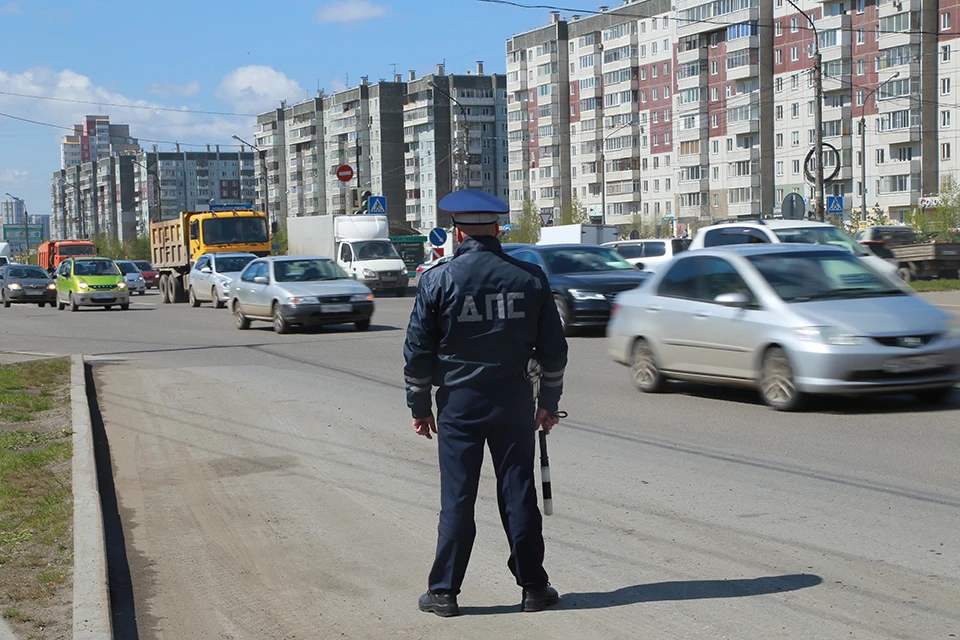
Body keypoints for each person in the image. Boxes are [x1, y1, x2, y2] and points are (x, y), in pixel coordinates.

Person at [404, 190, 568, 617]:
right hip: (514, 400)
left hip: (459, 404)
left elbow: (418, 352)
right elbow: (554, 350)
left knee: (457, 496)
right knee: (518, 492)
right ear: (497, 228)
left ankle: (443, 593)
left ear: (457, 231)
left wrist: (419, 406)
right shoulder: (529, 277)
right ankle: (534, 586)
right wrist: (548, 401)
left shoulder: (437, 279)